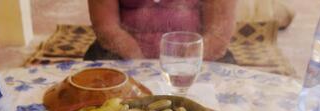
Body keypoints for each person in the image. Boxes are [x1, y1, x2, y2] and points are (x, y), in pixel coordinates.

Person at [86, 0, 237, 61]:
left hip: (197, 57)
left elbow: (219, 32)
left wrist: (184, 66)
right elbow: (106, 26)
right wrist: (142, 67)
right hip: (121, 55)